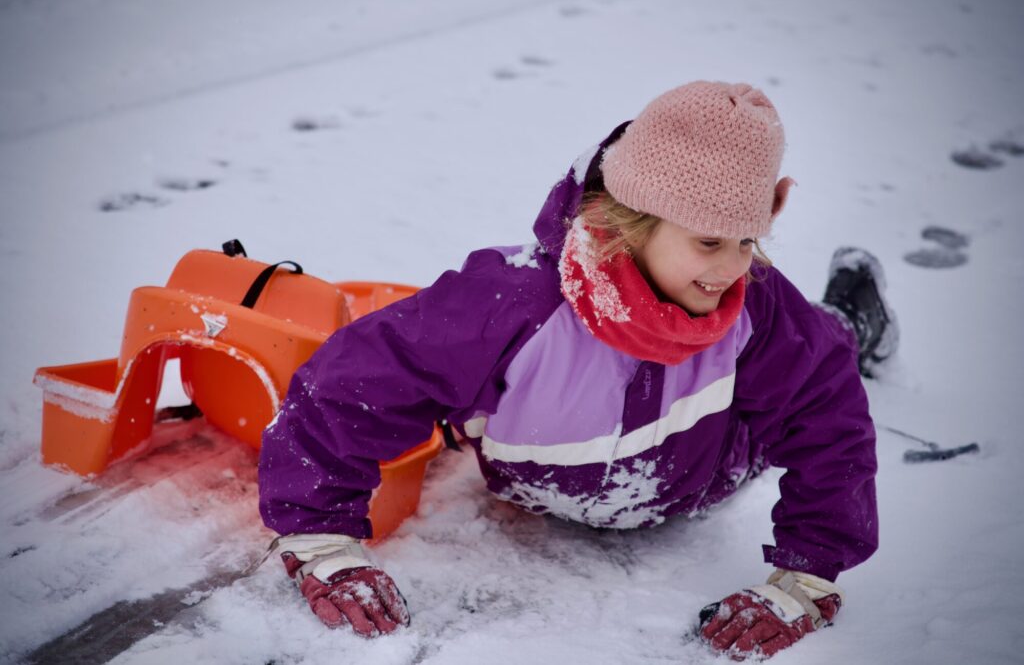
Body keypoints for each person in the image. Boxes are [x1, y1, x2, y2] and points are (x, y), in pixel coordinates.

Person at [257, 80, 897, 660]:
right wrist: (321, 540)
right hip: (537, 482)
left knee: (820, 344)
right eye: (708, 241)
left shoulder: (755, 305)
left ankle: (855, 310)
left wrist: (806, 577)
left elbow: (829, 420)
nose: (732, 267)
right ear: (632, 223)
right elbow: (345, 388)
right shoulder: (509, 306)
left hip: (708, 468)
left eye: (747, 241)